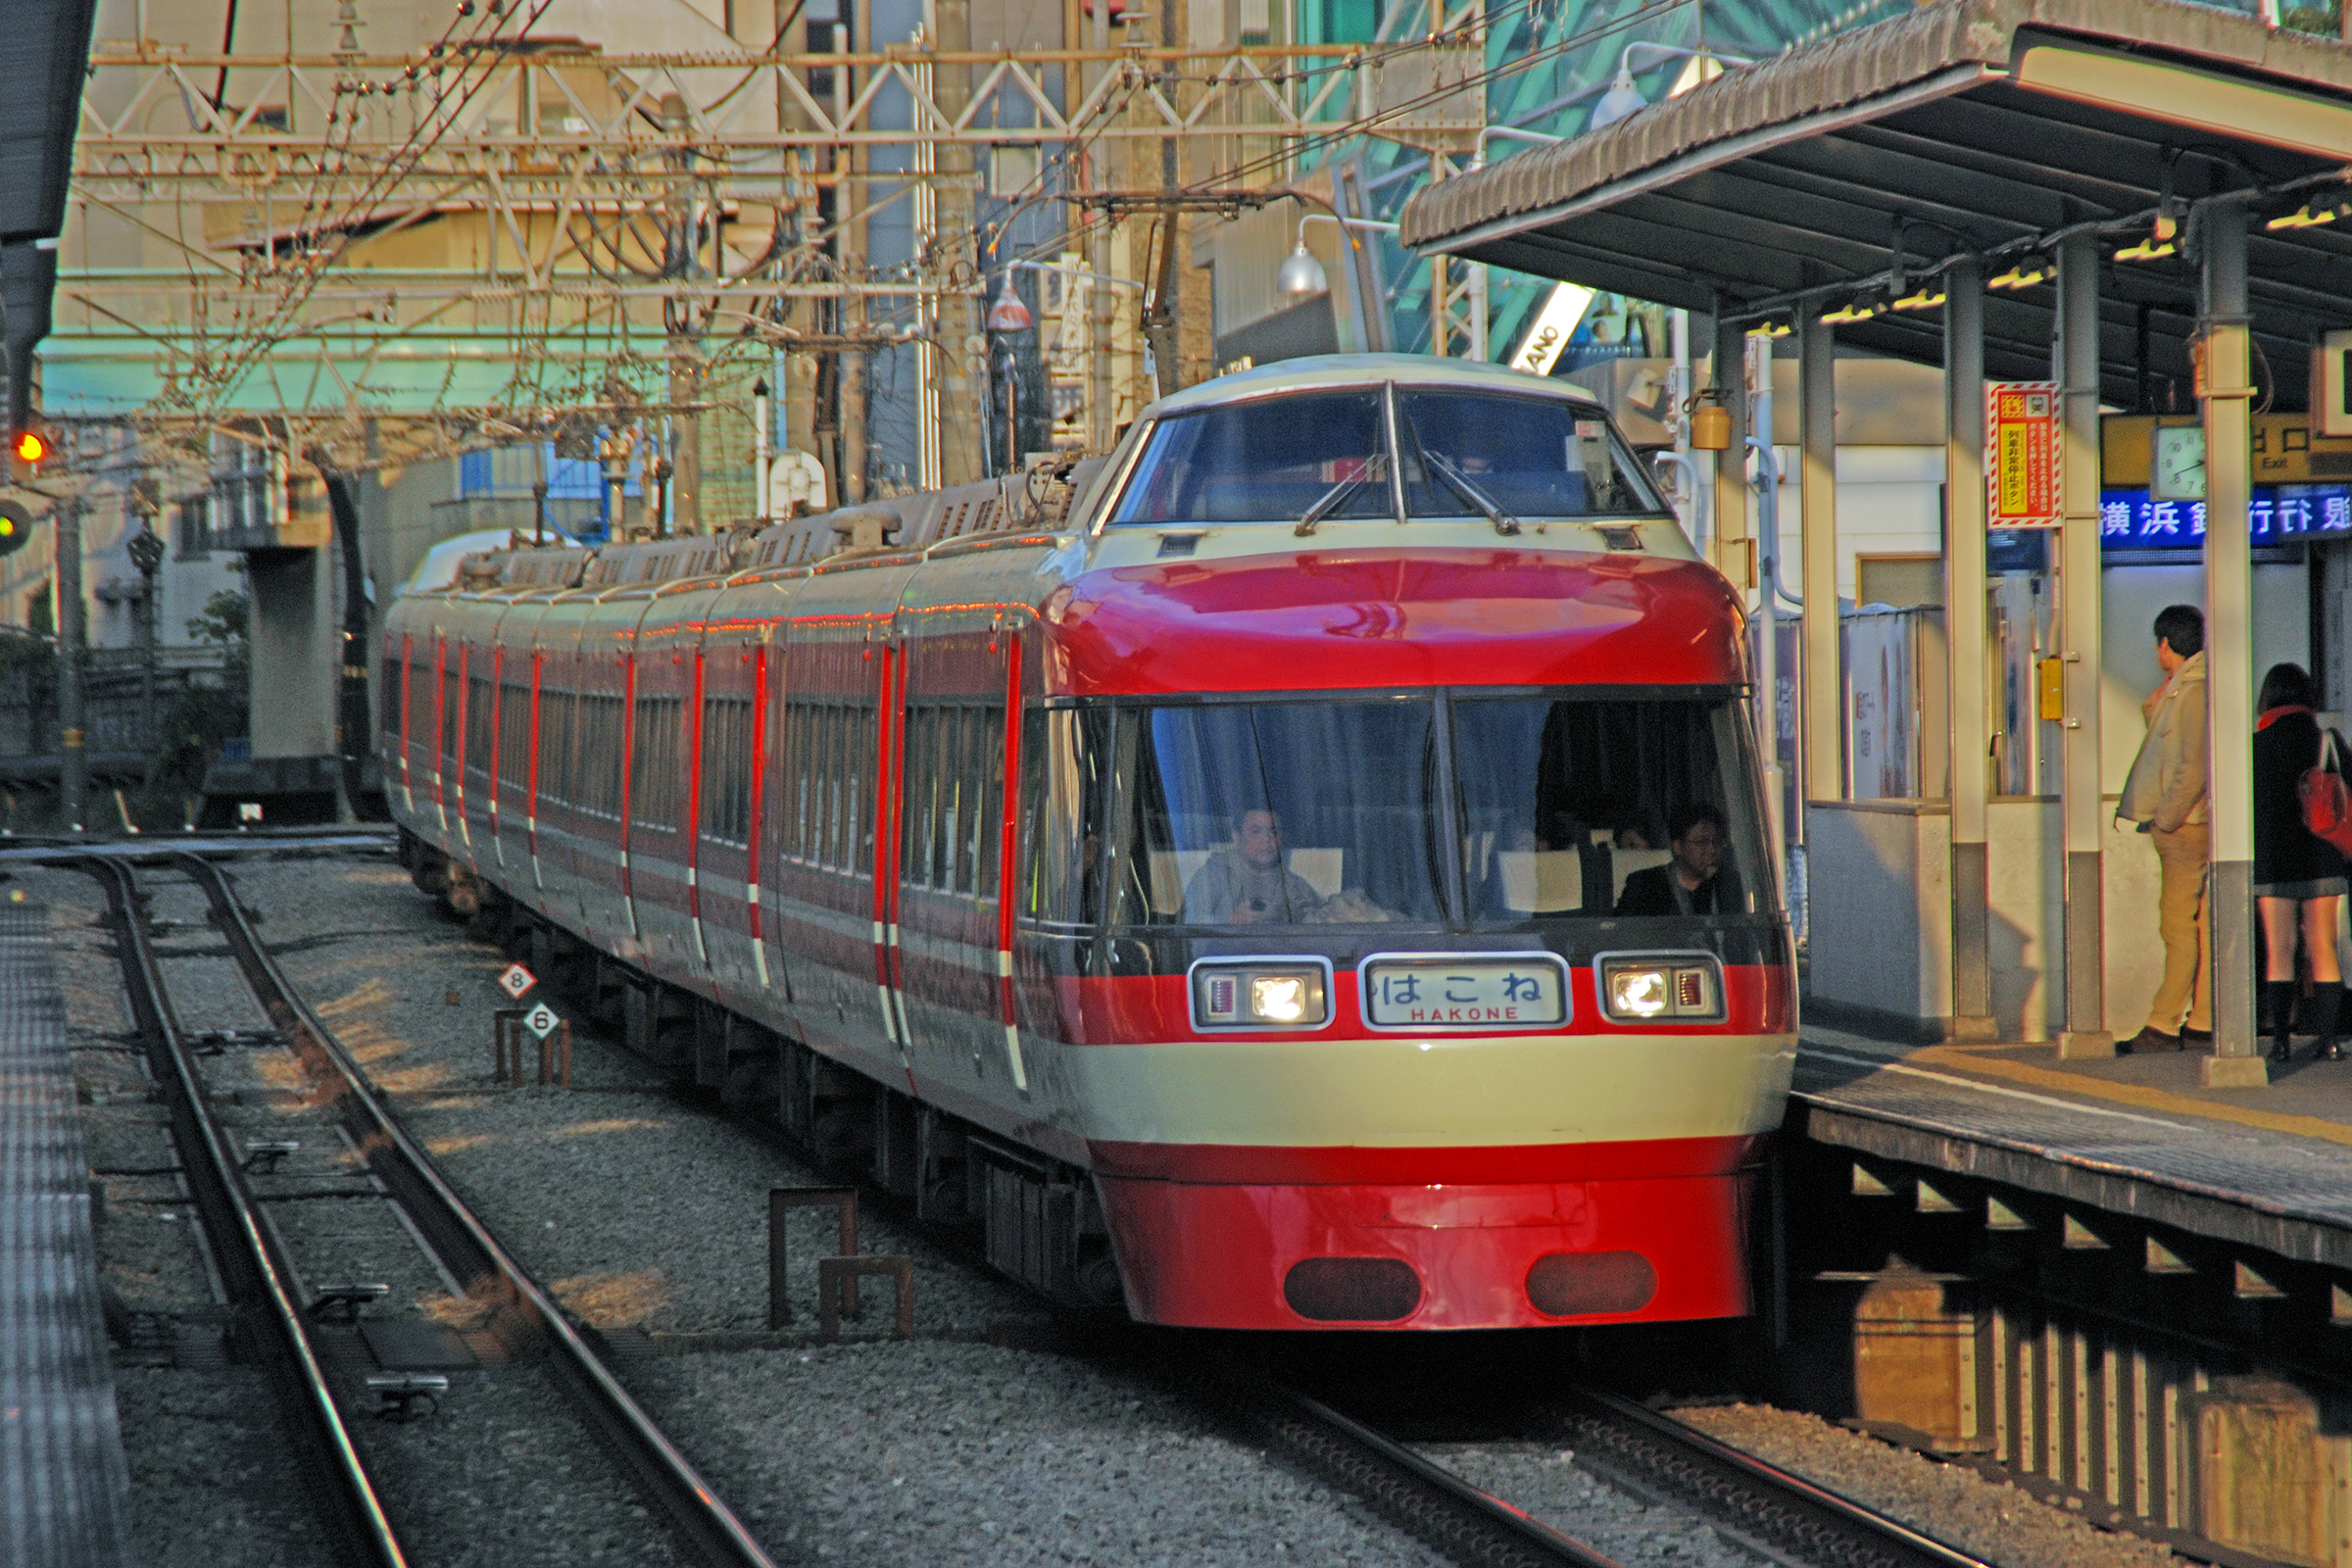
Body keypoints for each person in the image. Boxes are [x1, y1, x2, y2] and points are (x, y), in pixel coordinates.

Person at [2116, 605, 2211, 1054]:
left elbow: (2192, 766)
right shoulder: (2190, 688)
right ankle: (2204, 1017)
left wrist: (2164, 819)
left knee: (2176, 925)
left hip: (2185, 826)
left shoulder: (2192, 692)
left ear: (2166, 644)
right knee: (2202, 922)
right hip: (2200, 822)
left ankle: (2163, 1021)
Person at [2252, 662, 2348, 1062]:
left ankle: (2280, 1042)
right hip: (2323, 857)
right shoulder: (2326, 740)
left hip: (2273, 858)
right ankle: (2328, 1041)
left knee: (2280, 949)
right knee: (2323, 946)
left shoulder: (2255, 745)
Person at [1183, 808, 1324, 925]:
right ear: (1237, 838)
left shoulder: (1294, 885)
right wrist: (1229, 921)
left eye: (1274, 832)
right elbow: (1189, 924)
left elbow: (1321, 922)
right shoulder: (1213, 877)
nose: (1266, 839)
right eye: (1256, 831)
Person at [1615, 803, 1738, 916]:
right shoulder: (1643, 884)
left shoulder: (1730, 883)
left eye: (1717, 841)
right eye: (1702, 842)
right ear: (1678, 847)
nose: (1712, 850)